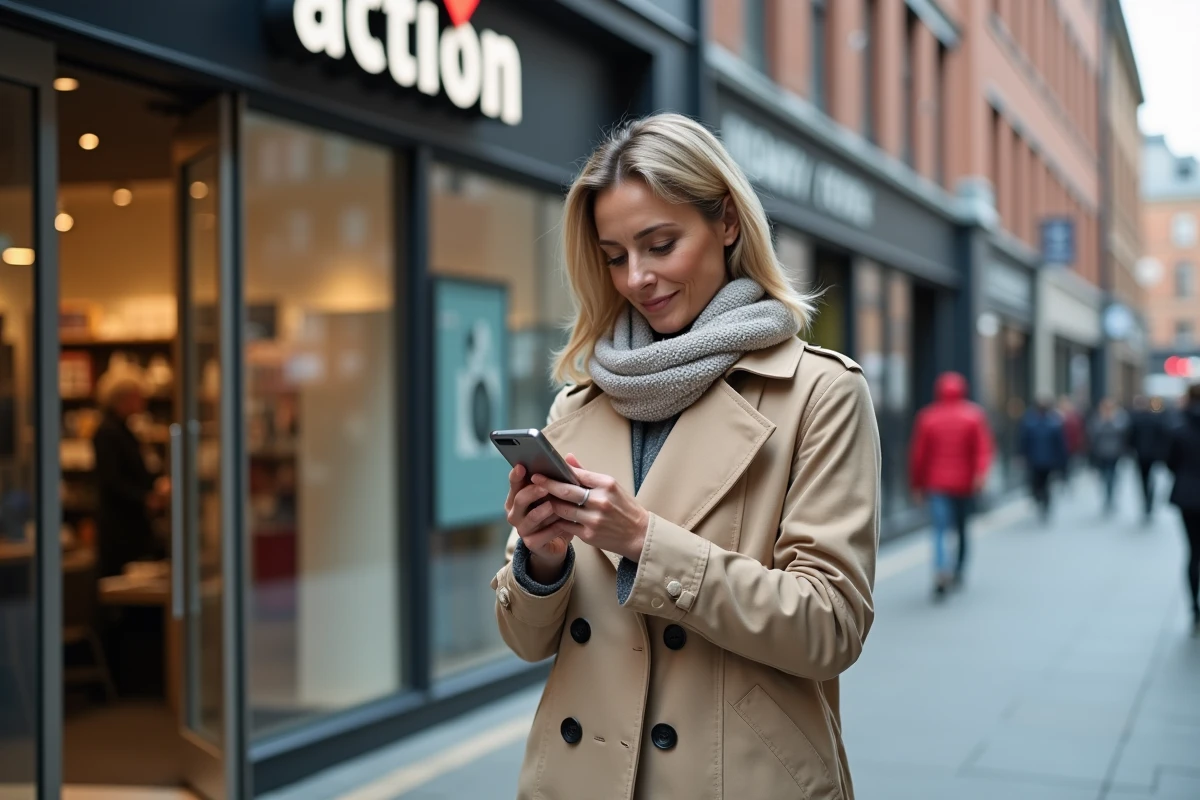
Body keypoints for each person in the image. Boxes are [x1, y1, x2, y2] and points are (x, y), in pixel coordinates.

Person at [491, 114, 881, 800]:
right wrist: (541, 560)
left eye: (660, 244)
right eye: (614, 255)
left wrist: (643, 542)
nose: (637, 277)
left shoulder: (819, 393)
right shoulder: (577, 407)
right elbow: (526, 642)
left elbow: (832, 626)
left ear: (726, 221)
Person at [909, 372, 994, 598]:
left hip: (936, 484)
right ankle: (958, 568)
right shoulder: (974, 415)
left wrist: (917, 484)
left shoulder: (927, 417)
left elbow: (919, 456)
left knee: (939, 530)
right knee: (963, 528)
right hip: (965, 484)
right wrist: (980, 475)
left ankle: (940, 571)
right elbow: (982, 449)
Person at [93, 368, 169, 578]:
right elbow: (112, 481)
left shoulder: (127, 431)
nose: (143, 401)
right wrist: (146, 499)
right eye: (138, 395)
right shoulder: (107, 432)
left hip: (133, 524)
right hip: (120, 529)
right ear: (122, 398)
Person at [1165, 383, 1200, 637]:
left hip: (1188, 497)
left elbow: (1171, 463)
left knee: (1193, 552)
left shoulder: (1179, 428)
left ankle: (1194, 608)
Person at [1019, 398, 1069, 522]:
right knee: (1039, 483)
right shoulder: (1034, 422)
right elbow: (1024, 441)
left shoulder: (1050, 423)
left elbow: (1059, 444)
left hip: (1043, 461)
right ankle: (1041, 500)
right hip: (1038, 460)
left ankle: (1044, 502)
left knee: (1043, 483)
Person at [1088, 398, 1130, 515]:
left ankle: (1110, 495)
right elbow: (1093, 433)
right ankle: (1107, 495)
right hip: (1101, 452)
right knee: (1104, 475)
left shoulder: (1119, 417)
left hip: (1114, 452)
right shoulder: (1098, 417)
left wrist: (1110, 421)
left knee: (1112, 474)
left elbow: (1123, 432)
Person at [1129, 395, 1168, 522]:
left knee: (1143, 479)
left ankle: (1147, 501)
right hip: (1151, 455)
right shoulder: (1155, 419)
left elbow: (1131, 438)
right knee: (1151, 479)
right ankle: (1149, 501)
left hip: (1141, 454)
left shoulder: (1136, 419)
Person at [1057, 396, 1086, 486]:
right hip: (1060, 447)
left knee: (1068, 465)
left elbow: (1079, 432)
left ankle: (1065, 479)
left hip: (1071, 447)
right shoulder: (1056, 417)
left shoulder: (1074, 417)